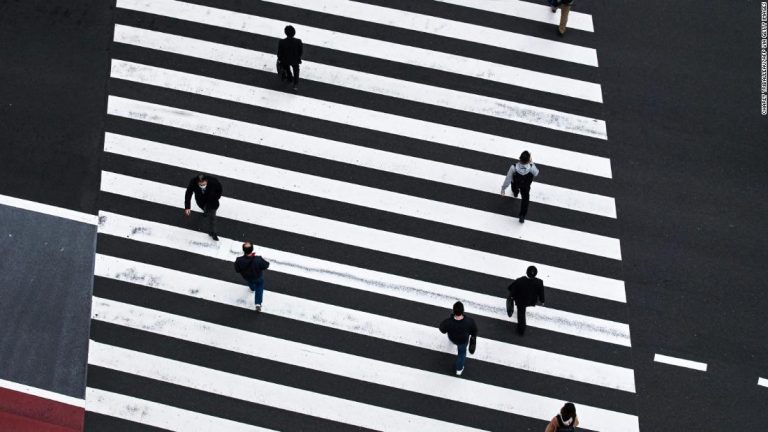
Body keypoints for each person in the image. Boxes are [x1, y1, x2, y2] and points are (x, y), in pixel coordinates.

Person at [439, 302, 478, 376]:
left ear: (453, 311)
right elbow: (474, 331)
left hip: (452, 338)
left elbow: (442, 329)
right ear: (463, 311)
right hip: (463, 341)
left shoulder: (448, 322)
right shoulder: (469, 321)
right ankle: (459, 369)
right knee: (462, 353)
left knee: (454, 343)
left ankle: (452, 343)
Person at [501, 150, 539, 223]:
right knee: (525, 200)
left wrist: (503, 189)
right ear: (528, 160)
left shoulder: (513, 167)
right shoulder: (531, 167)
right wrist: (532, 162)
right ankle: (522, 215)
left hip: (516, 183)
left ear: (519, 158)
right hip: (526, 186)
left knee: (514, 188)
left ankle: (515, 193)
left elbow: (508, 179)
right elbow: (536, 173)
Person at [507, 266, 545, 336]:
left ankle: (521, 330)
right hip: (531, 300)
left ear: (526, 272)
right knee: (522, 312)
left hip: (520, 301)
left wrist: (511, 296)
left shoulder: (520, 281)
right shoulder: (539, 282)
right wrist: (542, 301)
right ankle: (521, 329)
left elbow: (510, 288)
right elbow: (541, 292)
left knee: (521, 314)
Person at [184, 174, 222, 241]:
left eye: (204, 184)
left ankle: (213, 232)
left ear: (206, 181)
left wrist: (216, 198)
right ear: (197, 182)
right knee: (205, 210)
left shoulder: (213, 181)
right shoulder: (193, 182)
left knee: (212, 218)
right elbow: (188, 193)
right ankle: (205, 212)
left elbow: (219, 189)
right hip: (201, 202)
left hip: (212, 202)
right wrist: (187, 207)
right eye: (200, 185)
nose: (202, 186)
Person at [234, 241, 270, 312]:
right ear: (252, 249)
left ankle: (252, 288)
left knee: (250, 281)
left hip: (247, 277)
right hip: (258, 277)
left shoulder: (239, 260)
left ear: (243, 250)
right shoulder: (258, 259)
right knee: (259, 286)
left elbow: (237, 269)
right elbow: (266, 265)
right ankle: (258, 304)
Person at [277, 25, 303, 91]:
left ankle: (290, 78)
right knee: (296, 71)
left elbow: (279, 52)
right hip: (295, 60)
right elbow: (300, 51)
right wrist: (298, 57)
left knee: (287, 69)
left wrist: (279, 59)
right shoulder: (298, 41)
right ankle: (295, 85)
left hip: (285, 60)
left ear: (285, 33)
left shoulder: (282, 42)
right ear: (294, 33)